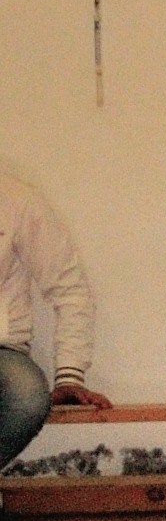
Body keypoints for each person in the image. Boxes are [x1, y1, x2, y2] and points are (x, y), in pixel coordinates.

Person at [0, 168, 106, 499]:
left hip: (3, 350)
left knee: (27, 395)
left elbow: (69, 288)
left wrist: (69, 375)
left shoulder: (16, 200)